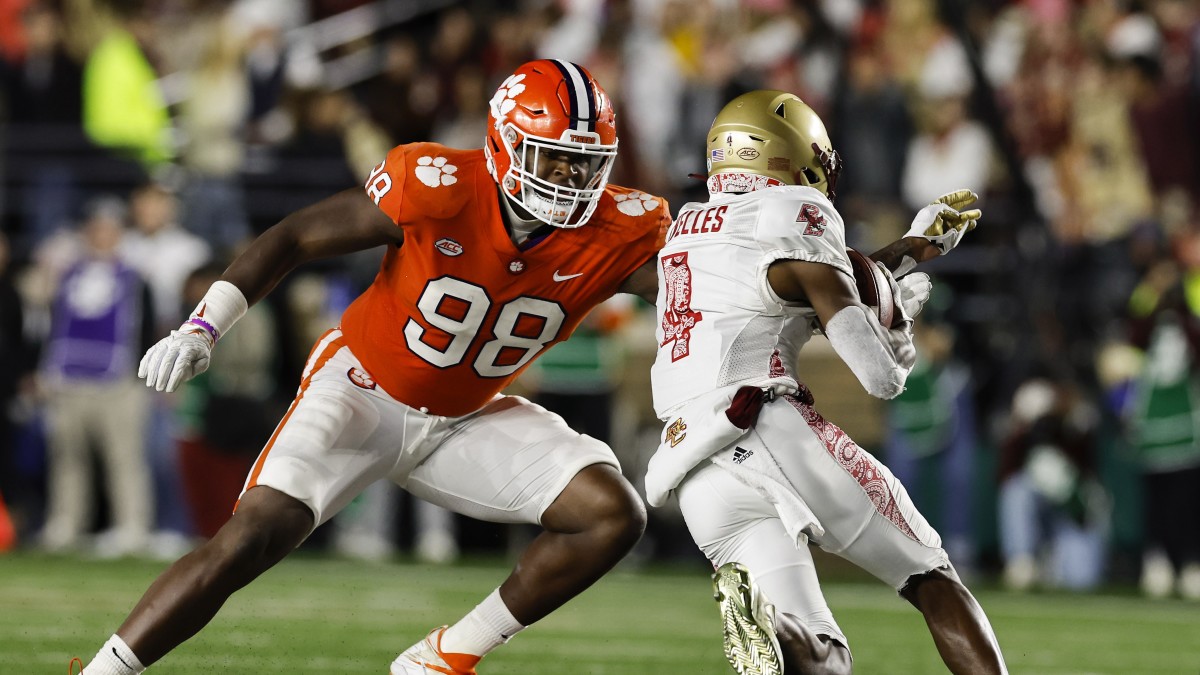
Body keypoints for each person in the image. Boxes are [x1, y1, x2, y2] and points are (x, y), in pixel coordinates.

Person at [76, 59, 667, 675]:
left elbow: (698, 298)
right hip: (360, 389)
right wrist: (204, 324)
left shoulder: (623, 230)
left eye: (586, 162)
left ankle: (445, 658)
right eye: (553, 158)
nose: (572, 179)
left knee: (611, 515)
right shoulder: (436, 183)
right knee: (249, 539)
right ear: (504, 143)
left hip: (465, 417)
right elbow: (297, 236)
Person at [644, 90, 1007, 675]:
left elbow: (800, 283)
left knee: (825, 659)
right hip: (765, 425)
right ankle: (780, 629)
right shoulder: (796, 214)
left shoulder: (691, 228)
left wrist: (911, 251)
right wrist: (897, 322)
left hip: (692, 464)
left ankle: (781, 631)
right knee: (931, 574)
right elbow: (879, 376)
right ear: (793, 157)